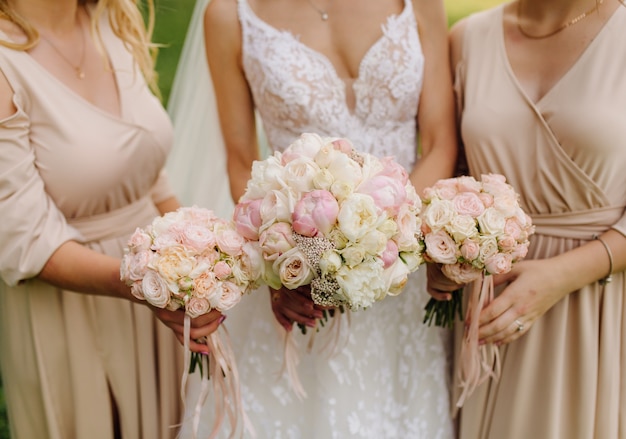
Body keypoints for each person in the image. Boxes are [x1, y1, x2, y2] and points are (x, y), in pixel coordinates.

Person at [168, 0, 458, 437]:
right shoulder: (230, 15)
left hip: (404, 272)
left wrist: (389, 240)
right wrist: (294, 265)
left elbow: (439, 142)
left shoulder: (419, 5)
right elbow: (240, 161)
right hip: (301, 269)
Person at [0, 0, 223, 437]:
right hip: (71, 311)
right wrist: (146, 285)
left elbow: (145, 170)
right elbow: (25, 239)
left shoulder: (113, 20)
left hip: (160, 296)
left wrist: (197, 263)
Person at [428, 0, 626, 437]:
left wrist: (561, 276)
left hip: (601, 303)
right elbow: (449, 172)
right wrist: (440, 257)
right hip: (491, 311)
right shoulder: (466, 40)